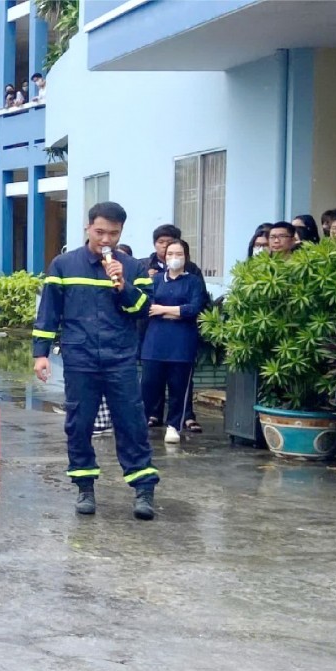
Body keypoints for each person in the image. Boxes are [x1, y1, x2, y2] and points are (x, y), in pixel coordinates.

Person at [32, 201, 160, 520]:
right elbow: (49, 312)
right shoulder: (64, 265)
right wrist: (40, 355)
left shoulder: (132, 267)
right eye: (100, 231)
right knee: (79, 424)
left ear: (121, 233)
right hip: (80, 358)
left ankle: (143, 490)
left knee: (132, 423)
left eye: (113, 234)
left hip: (121, 358)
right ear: (87, 227)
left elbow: (143, 310)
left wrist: (123, 286)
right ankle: (85, 487)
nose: (106, 240)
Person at [140, 224, 205, 432]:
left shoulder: (193, 281)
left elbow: (194, 308)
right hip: (155, 341)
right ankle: (141, 423)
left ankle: (174, 426)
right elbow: (148, 308)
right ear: (164, 256)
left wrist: (164, 310)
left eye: (179, 253)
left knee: (179, 386)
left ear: (186, 256)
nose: (174, 256)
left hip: (182, 342)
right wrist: (175, 311)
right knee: (149, 384)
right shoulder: (156, 280)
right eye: (170, 253)